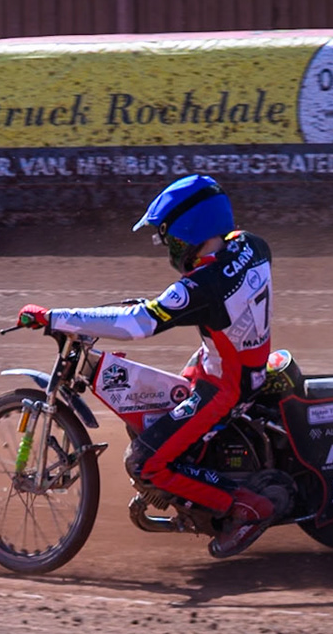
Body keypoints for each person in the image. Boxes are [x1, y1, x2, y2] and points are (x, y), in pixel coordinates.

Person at [15, 175, 277, 558]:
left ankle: (246, 509)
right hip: (238, 365)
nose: (167, 247)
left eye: (168, 237)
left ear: (189, 229)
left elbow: (139, 323)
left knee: (144, 462)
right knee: (161, 409)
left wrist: (54, 316)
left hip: (224, 387)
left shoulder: (200, 286)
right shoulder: (252, 245)